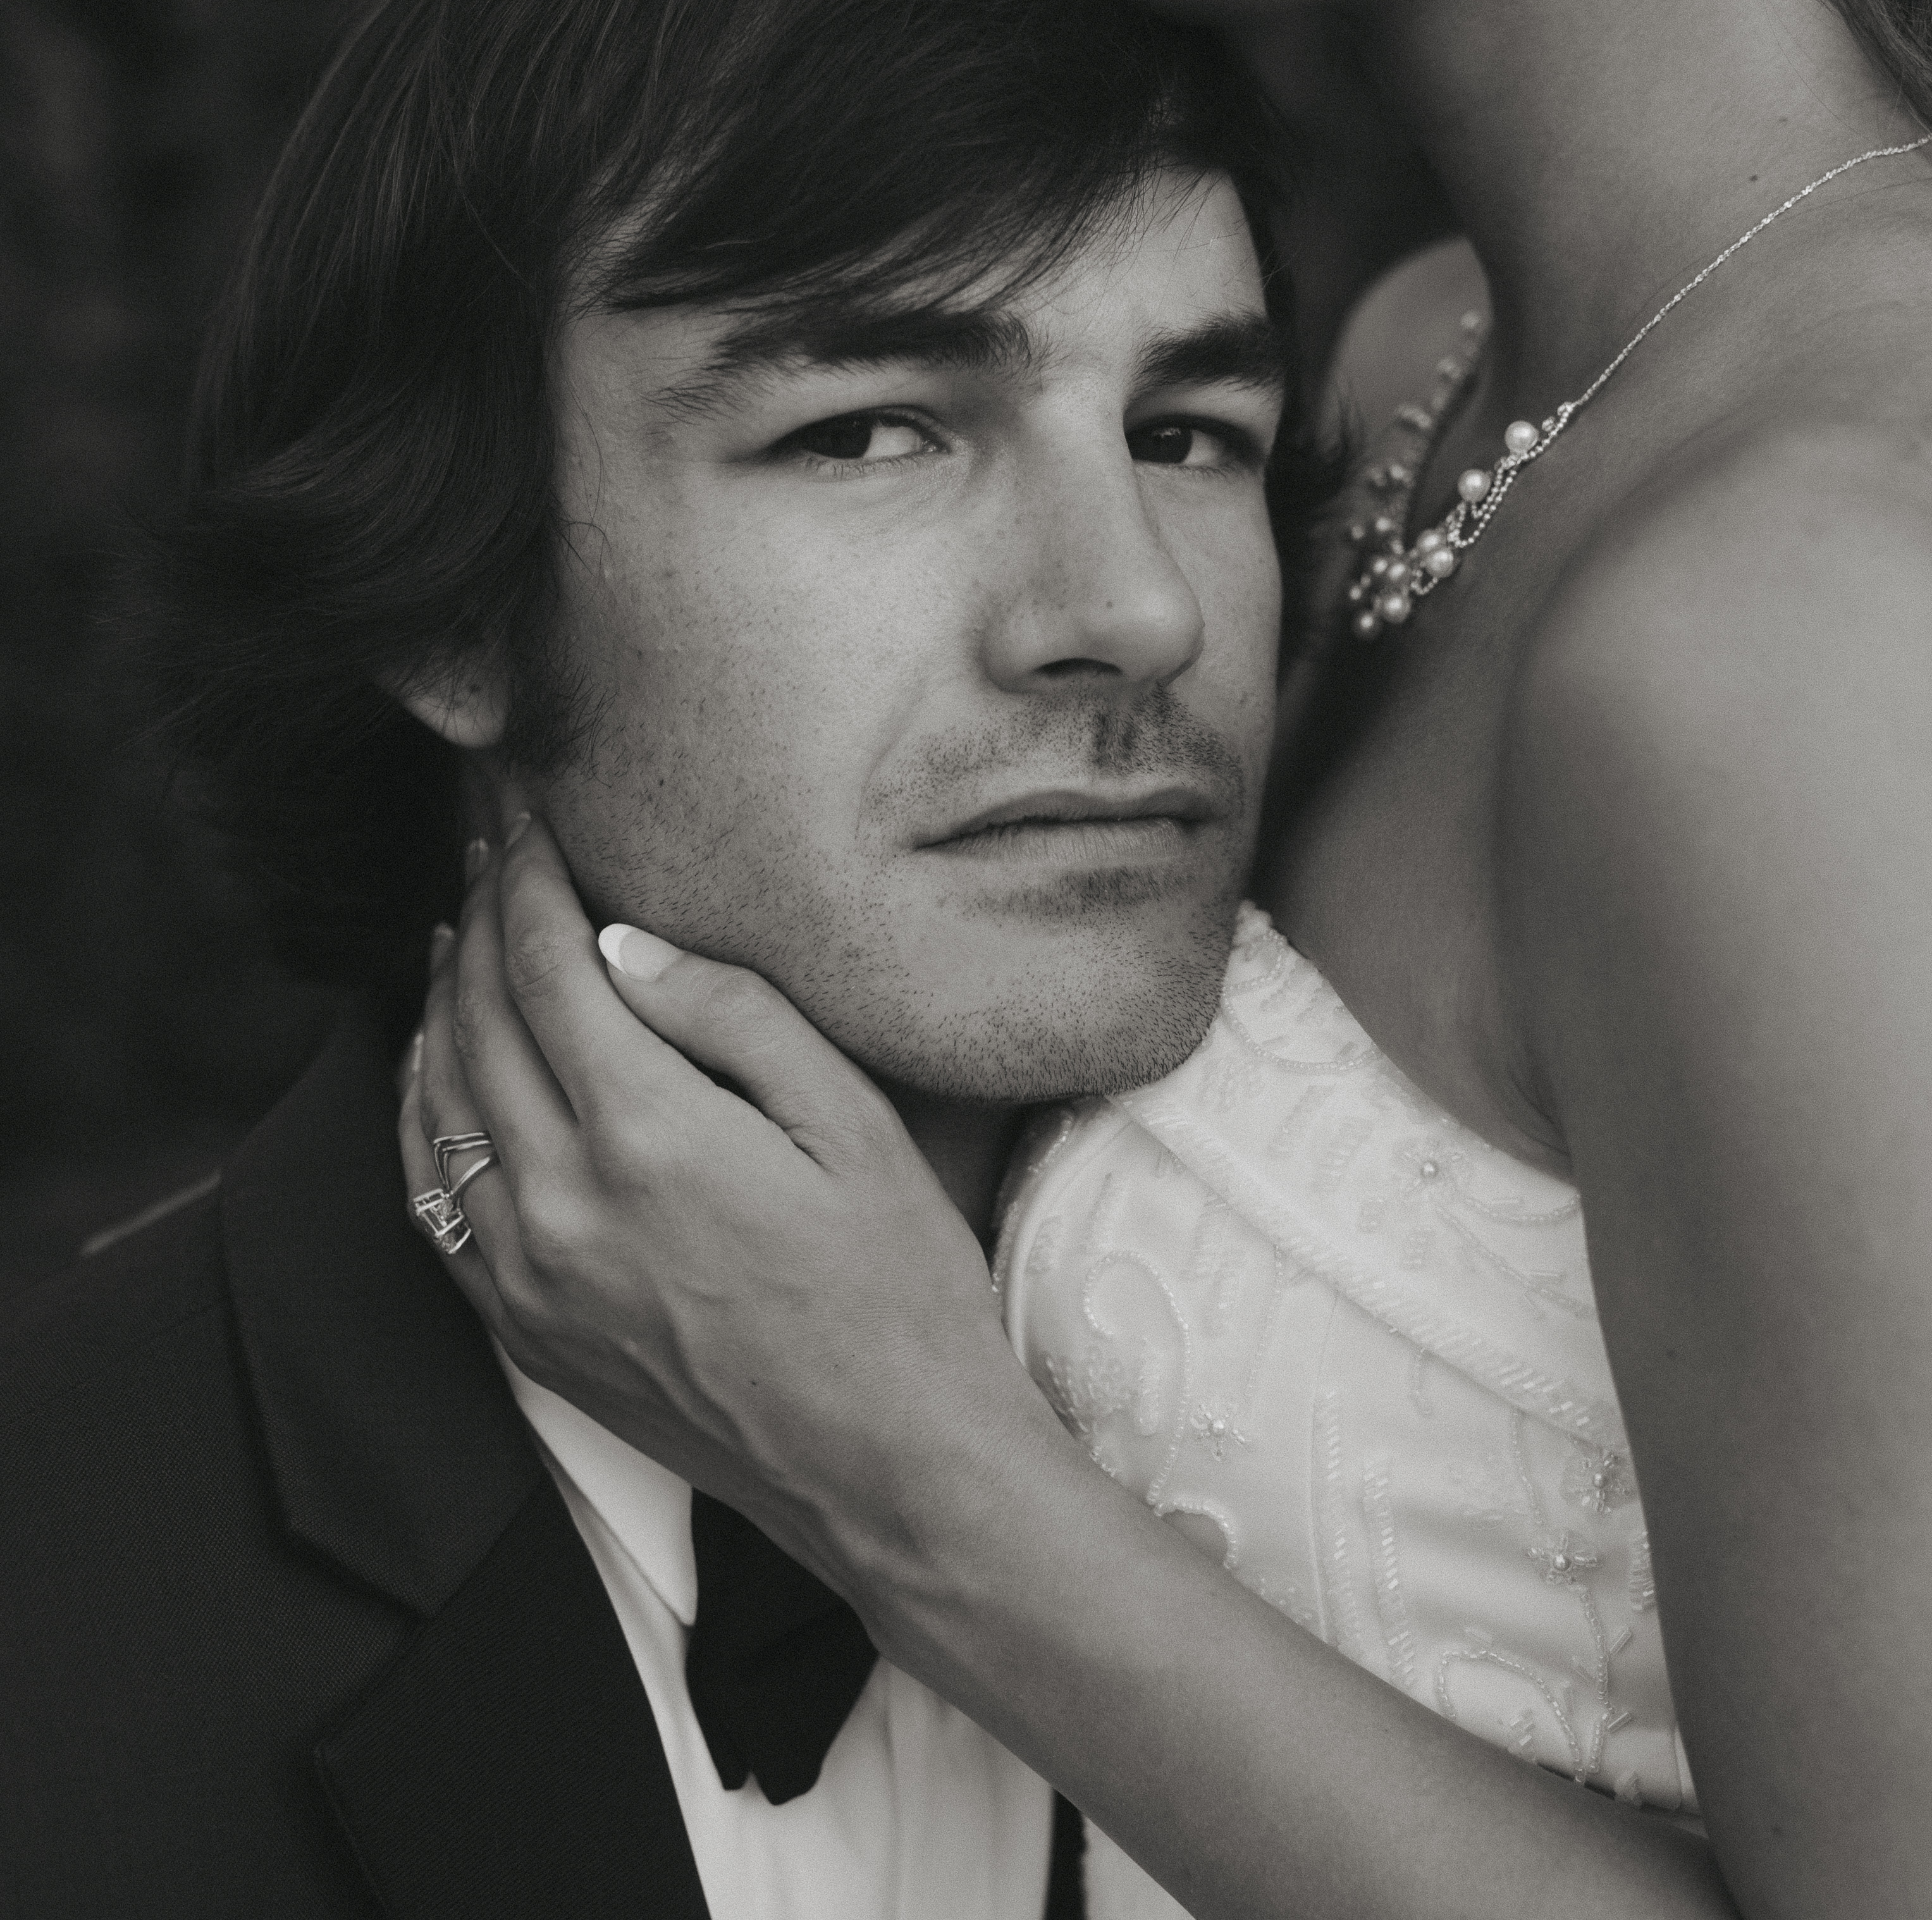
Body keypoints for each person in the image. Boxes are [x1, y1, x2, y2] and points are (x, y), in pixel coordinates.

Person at [403, 0, 1932, 1916]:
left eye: (1187, 440)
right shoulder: (1427, 349)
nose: (1131, 600)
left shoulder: (1824, 588)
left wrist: (906, 1480)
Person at [0, 2, 1323, 1913]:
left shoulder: (1421, 1480)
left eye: (1189, 432)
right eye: (869, 429)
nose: (1132, 606)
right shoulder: (56, 1620)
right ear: (454, 598)